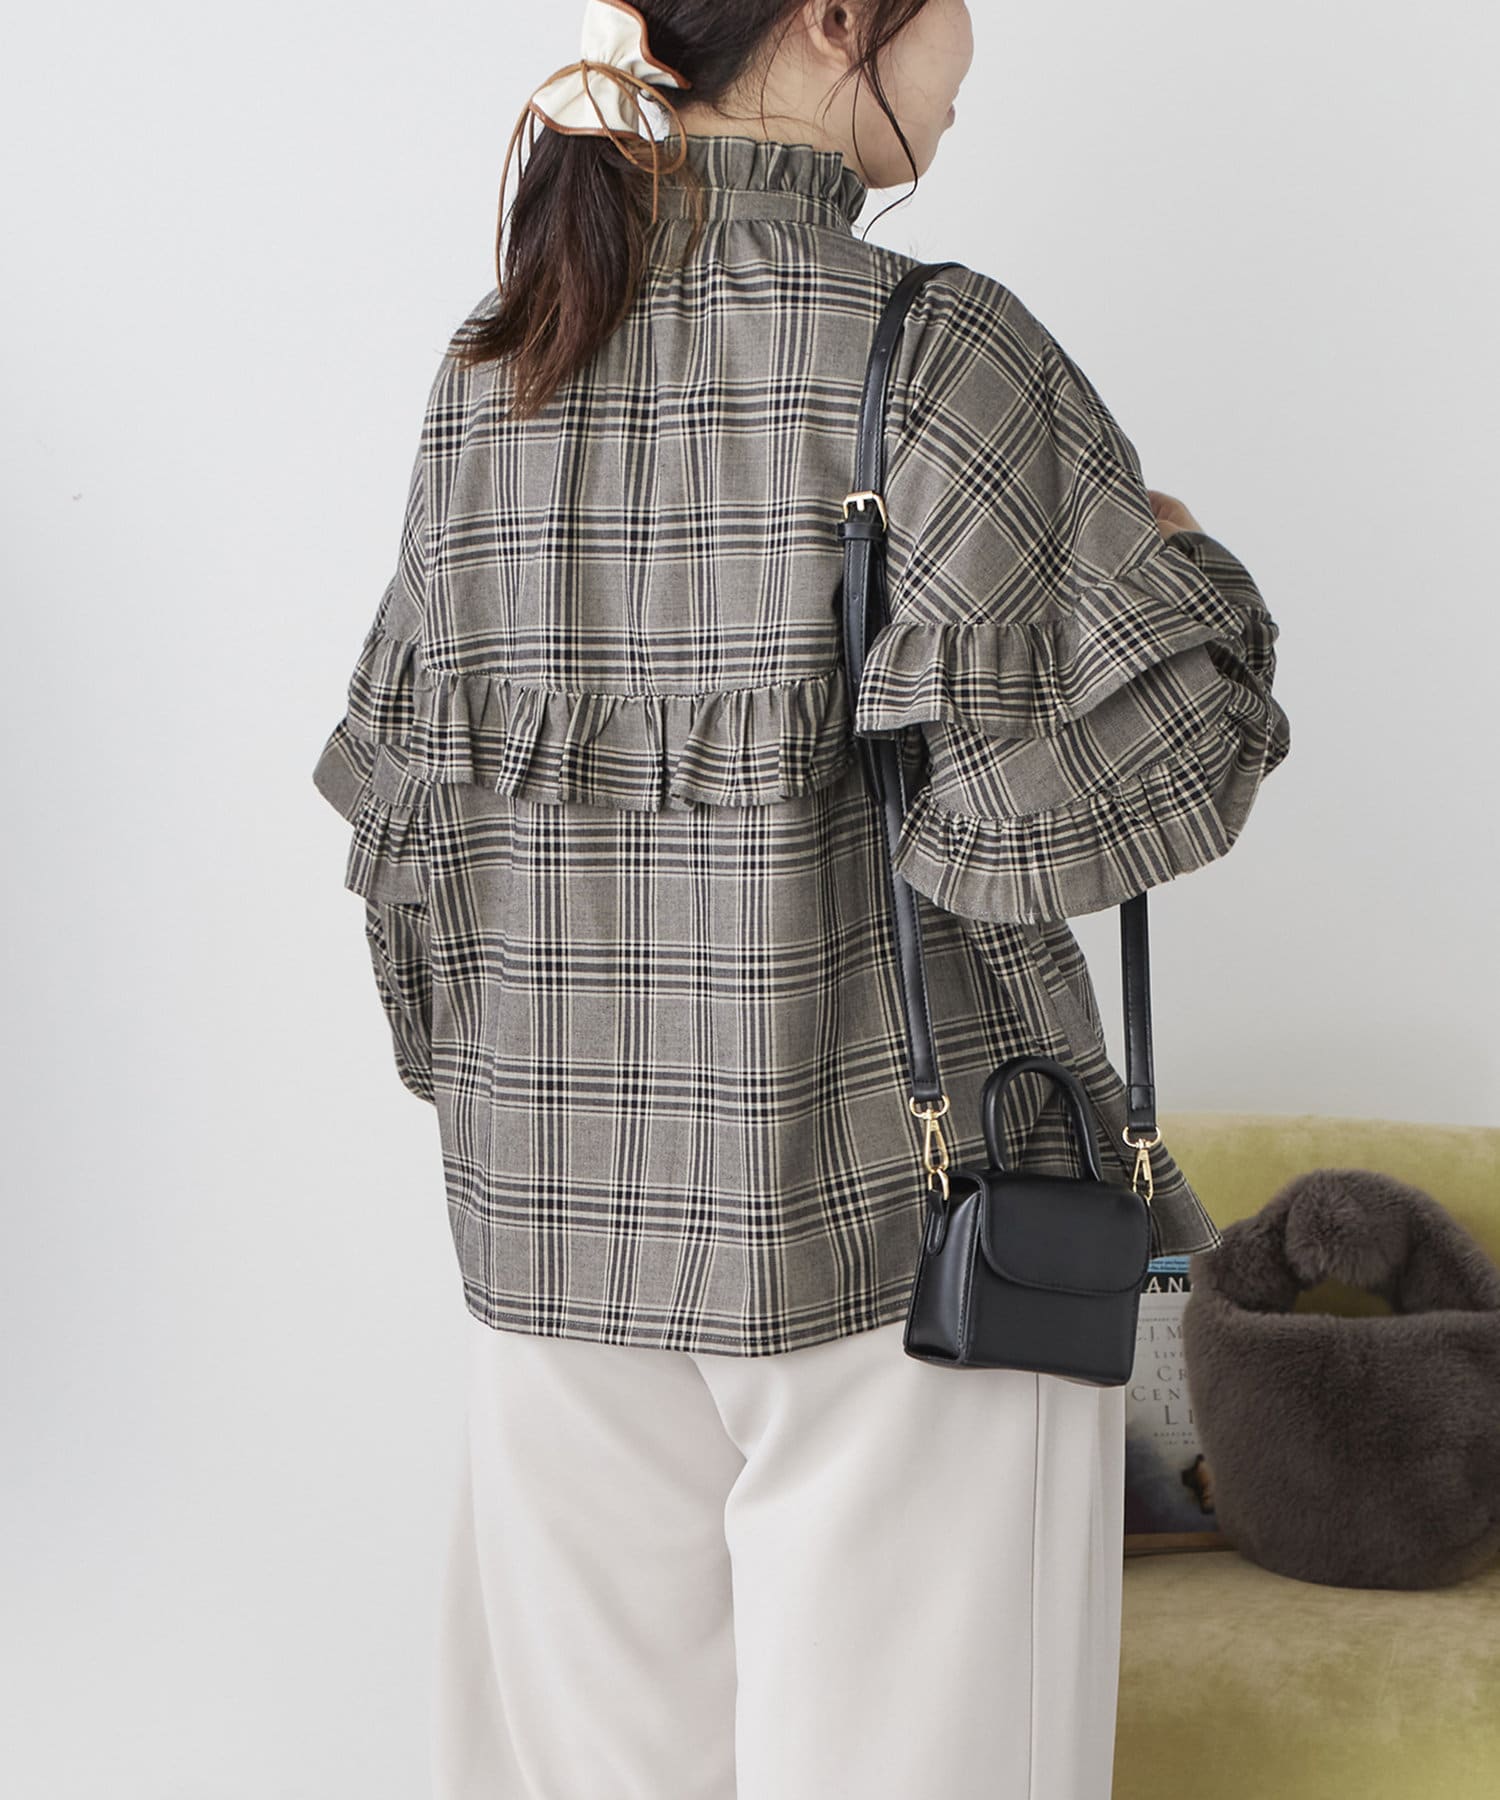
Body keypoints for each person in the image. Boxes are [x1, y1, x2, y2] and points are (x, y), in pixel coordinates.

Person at [310, 2, 1291, 1794]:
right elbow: (1093, 797)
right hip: (908, 1256)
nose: (975, 45)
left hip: (554, 1248)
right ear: (841, 19)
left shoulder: (499, 357)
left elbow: (414, 842)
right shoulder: (931, 343)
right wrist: (1178, 563)